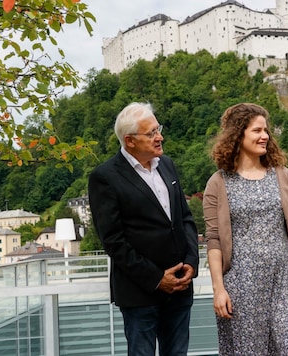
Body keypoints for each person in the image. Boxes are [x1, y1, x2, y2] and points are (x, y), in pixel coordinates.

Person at [203, 103, 288, 355]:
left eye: (266, 130)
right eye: (257, 130)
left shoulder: (283, 175)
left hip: (283, 280)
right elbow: (213, 240)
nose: (265, 136)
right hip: (241, 285)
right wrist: (218, 289)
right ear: (238, 134)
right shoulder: (218, 183)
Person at [88, 102, 199, 356]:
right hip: (140, 295)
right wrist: (158, 279)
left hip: (180, 289)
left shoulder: (167, 165)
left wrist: (192, 261)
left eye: (158, 129)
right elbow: (114, 242)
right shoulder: (104, 177)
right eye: (151, 133)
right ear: (130, 141)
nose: (159, 137)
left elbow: (185, 219)